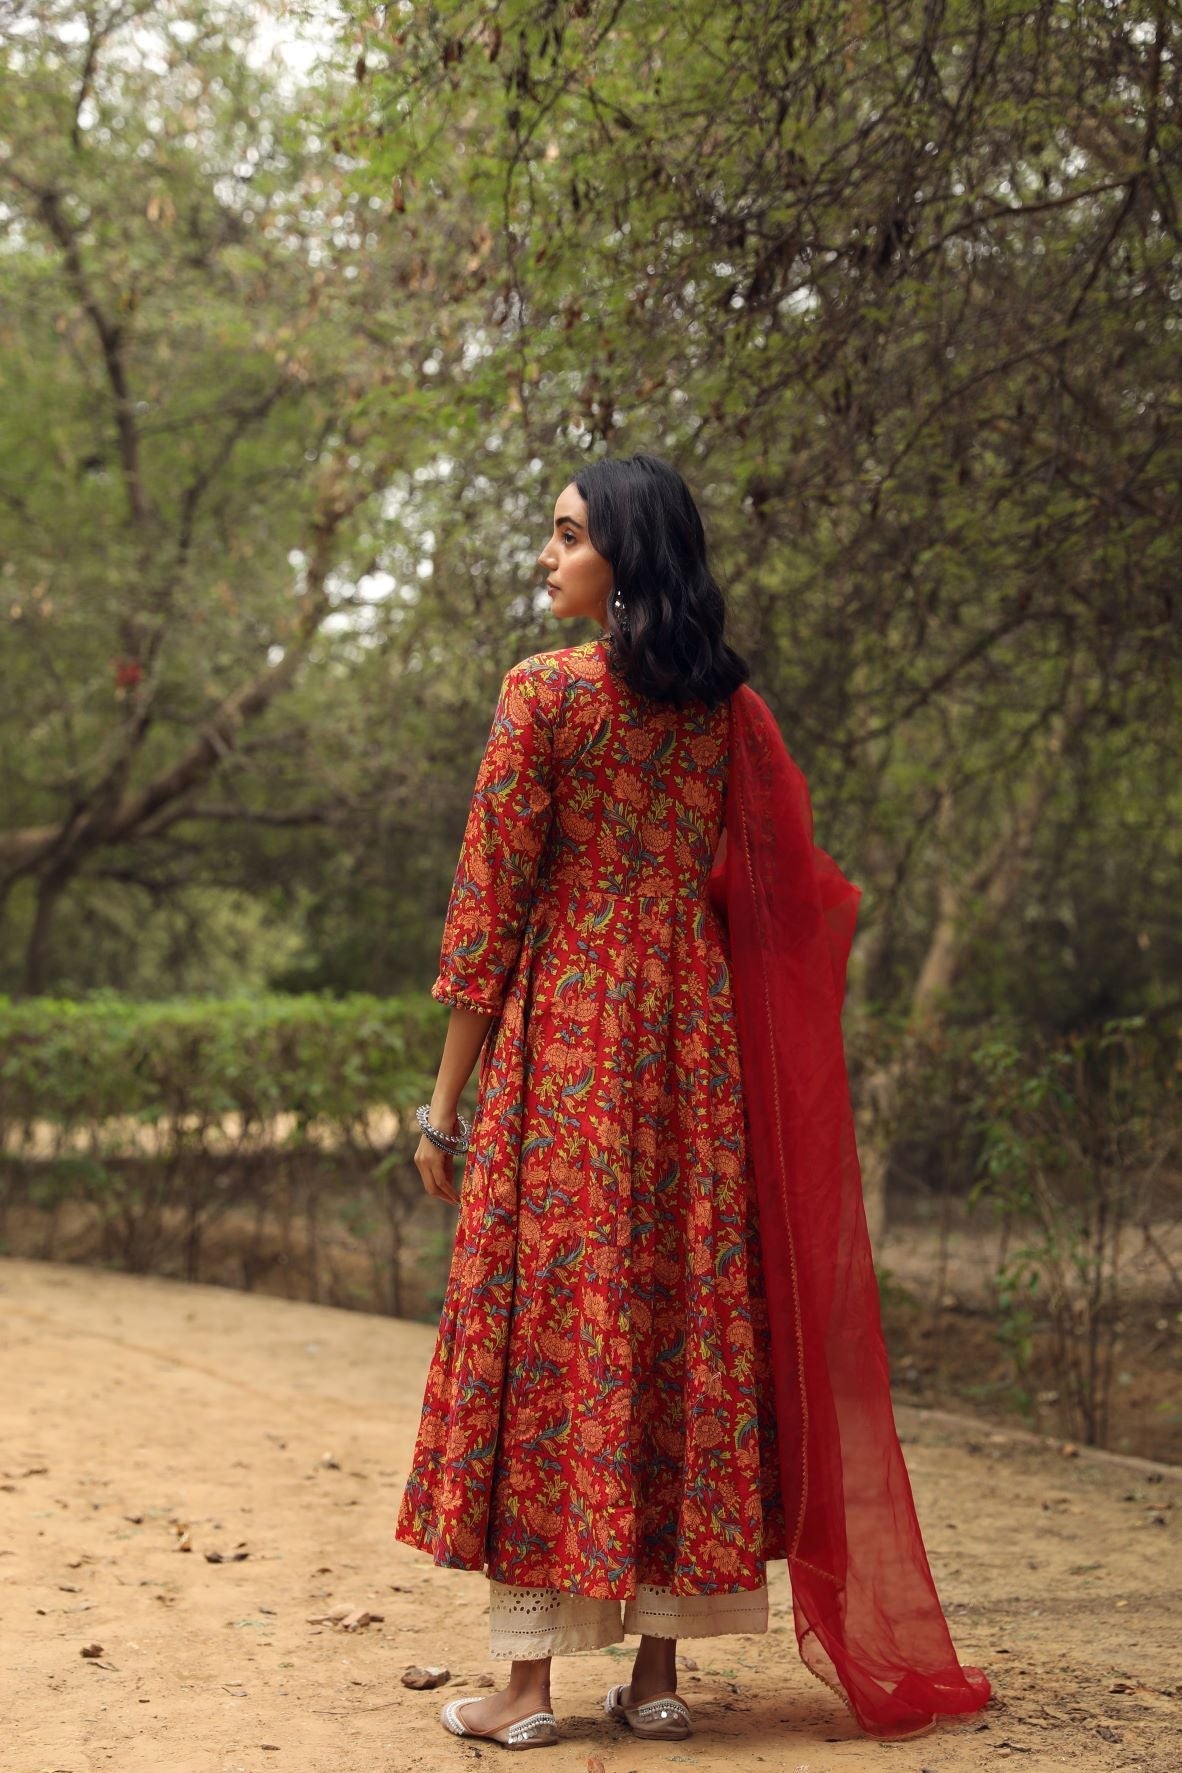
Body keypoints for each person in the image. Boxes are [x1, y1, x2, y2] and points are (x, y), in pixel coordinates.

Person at [395, 453, 991, 1751]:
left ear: (625, 554)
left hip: (569, 1048)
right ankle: (657, 1675)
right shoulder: (725, 711)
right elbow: (784, 895)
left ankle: (527, 1686)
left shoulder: (541, 696)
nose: (546, 556)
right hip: (692, 1048)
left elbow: (484, 915)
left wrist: (443, 1105)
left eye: (565, 535)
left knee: (554, 1329)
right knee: (676, 1324)